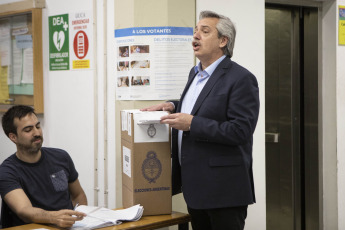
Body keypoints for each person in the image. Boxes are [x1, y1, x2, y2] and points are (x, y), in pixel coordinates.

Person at [141, 10, 260, 230]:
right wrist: (172, 105)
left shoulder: (241, 79)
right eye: (195, 31)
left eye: (204, 31)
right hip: (195, 188)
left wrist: (192, 123)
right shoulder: (195, 73)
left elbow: (240, 131)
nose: (196, 36)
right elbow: (204, 105)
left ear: (223, 41)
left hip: (224, 191)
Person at [0, 105, 87, 228]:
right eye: (28, 130)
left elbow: (78, 195)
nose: (36, 133)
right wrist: (55, 218)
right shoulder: (7, 171)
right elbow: (24, 210)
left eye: (38, 126)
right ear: (13, 137)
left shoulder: (61, 157)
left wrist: (80, 221)